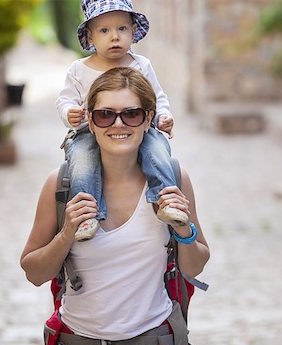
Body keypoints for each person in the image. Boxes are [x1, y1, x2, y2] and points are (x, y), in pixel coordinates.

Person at [21, 67, 210, 345]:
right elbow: (34, 273)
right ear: (90, 123)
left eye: (132, 114)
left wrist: (183, 228)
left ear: (149, 119)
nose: (118, 124)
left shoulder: (173, 178)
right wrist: (66, 233)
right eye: (105, 115)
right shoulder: (61, 185)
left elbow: (195, 265)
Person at [57, 0, 186, 242]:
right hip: (90, 131)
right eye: (104, 30)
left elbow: (157, 97)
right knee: (82, 161)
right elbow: (64, 100)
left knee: (158, 150)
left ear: (133, 31)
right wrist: (69, 112)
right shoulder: (79, 69)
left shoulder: (140, 65)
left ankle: (166, 201)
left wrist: (163, 116)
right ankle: (88, 213)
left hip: (139, 128)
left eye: (122, 29)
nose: (114, 37)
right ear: (90, 37)